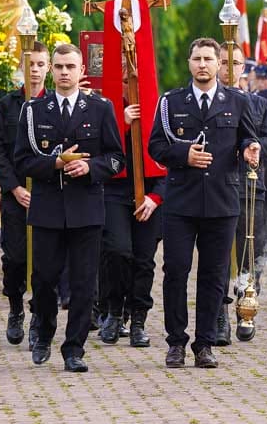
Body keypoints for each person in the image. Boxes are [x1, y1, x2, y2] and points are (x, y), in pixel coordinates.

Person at [149, 37, 259, 369]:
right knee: (175, 272)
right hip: (181, 202)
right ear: (189, 63)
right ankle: (176, 342)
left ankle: (205, 343)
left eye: (209, 59)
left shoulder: (237, 101)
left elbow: (249, 138)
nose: (202, 64)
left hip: (222, 202)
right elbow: (155, 146)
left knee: (213, 276)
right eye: (197, 58)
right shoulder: (171, 102)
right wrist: (184, 154)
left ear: (218, 64)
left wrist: (251, 149)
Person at [13, 43, 124, 371]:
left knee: (84, 282)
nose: (64, 72)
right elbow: (21, 160)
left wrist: (91, 169)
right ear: (51, 70)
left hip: (86, 208)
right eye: (58, 66)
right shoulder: (34, 111)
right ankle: (44, 333)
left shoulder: (100, 108)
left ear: (81, 71)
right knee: (44, 278)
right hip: (48, 207)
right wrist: (55, 164)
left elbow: (116, 158)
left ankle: (74, 348)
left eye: (70, 67)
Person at [98, 65, 166, 348]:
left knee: (143, 260)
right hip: (115, 191)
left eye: (135, 81)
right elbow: (98, 150)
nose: (130, 86)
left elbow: (169, 160)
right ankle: (114, 311)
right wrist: (121, 123)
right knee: (117, 251)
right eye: (125, 81)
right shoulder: (105, 110)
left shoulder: (160, 109)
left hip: (149, 195)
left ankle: (138, 318)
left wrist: (155, 198)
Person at [216, 44, 267, 344]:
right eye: (224, 62)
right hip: (214, 189)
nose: (230, 68)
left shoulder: (258, 104)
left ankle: (246, 308)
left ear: (245, 67)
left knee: (248, 253)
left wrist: (255, 148)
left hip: (249, 188)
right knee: (217, 255)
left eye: (236, 62)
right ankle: (218, 315)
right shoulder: (206, 102)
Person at [0, 41, 48, 347]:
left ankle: (39, 315)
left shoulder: (53, 104)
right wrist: (13, 186)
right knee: (14, 258)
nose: (35, 69)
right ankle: (15, 308)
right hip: (16, 196)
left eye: (40, 64)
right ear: (21, 68)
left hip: (47, 196)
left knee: (44, 260)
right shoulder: (8, 104)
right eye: (30, 64)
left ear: (47, 67)